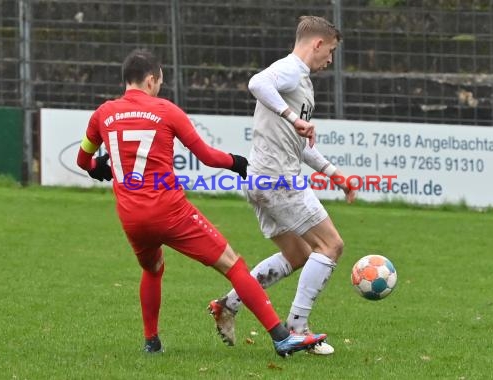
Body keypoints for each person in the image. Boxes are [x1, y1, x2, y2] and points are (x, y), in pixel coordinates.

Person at [76, 48, 327, 357]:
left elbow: (83, 159)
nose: (160, 87)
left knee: (153, 270)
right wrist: (237, 162)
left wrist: (98, 168)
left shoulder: (103, 114)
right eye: (160, 81)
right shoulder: (166, 110)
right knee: (233, 265)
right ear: (151, 79)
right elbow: (207, 156)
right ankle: (280, 336)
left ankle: (151, 342)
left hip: (131, 217)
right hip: (170, 211)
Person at [209, 16, 354, 355]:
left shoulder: (297, 80)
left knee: (299, 254)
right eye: (330, 51)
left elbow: (299, 144)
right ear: (317, 44)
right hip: (279, 179)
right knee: (331, 246)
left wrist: (335, 174)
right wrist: (294, 118)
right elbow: (256, 82)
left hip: (262, 179)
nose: (330, 60)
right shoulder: (290, 69)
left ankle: (227, 306)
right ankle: (298, 327)